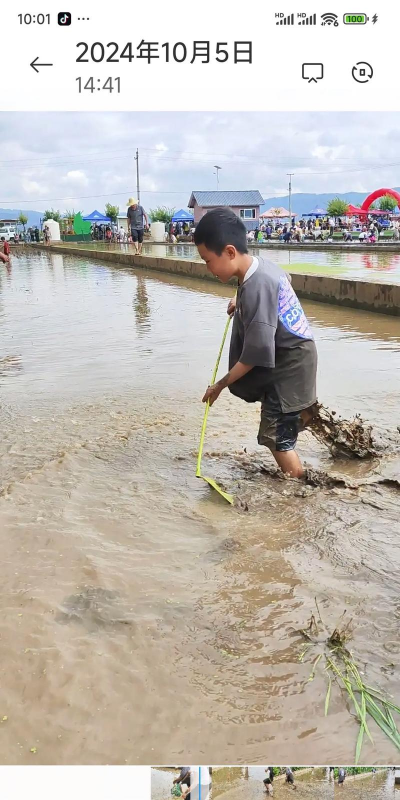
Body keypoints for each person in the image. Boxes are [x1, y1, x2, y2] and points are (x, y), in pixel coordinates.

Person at [195, 208, 317, 479]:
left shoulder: (255, 287)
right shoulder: (260, 267)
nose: (207, 268)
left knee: (275, 435)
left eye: (207, 260)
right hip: (297, 355)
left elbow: (254, 355)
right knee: (279, 426)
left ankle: (297, 489)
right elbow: (285, 280)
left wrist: (219, 386)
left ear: (229, 252)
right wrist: (242, 301)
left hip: (292, 365)